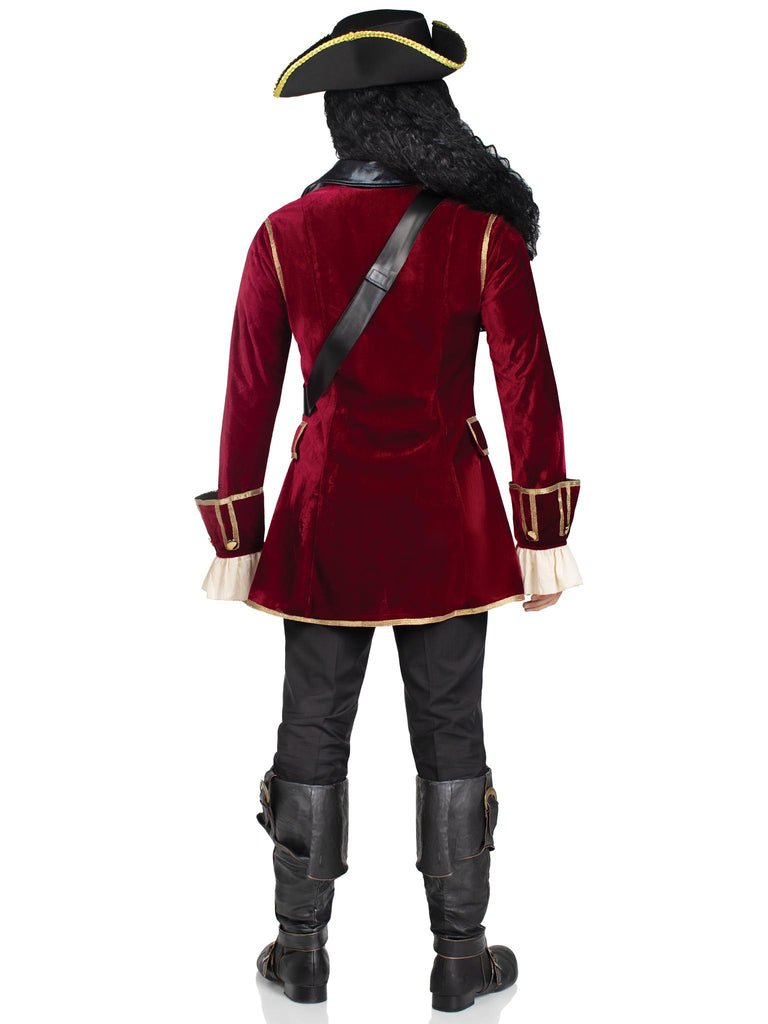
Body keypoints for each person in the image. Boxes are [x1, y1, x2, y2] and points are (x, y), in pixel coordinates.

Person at [194, 9, 583, 1013]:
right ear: (429, 111)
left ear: (343, 118)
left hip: (326, 523)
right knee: (451, 730)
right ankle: (460, 959)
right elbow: (528, 389)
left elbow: (248, 396)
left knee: (311, 728)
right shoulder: (483, 235)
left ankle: (301, 953)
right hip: (447, 525)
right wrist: (541, 536)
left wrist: (239, 530)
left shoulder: (282, 236)